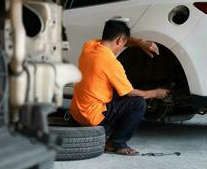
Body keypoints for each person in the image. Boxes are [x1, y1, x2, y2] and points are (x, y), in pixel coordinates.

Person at [70, 20, 169, 156]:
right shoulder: (111, 63)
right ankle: (116, 143)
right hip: (93, 119)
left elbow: (121, 40)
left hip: (77, 114)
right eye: (123, 44)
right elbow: (131, 93)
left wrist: (140, 42)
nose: (122, 47)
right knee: (138, 103)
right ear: (119, 40)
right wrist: (156, 93)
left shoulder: (89, 46)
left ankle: (109, 136)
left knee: (117, 90)